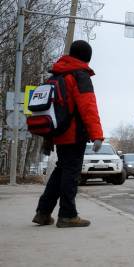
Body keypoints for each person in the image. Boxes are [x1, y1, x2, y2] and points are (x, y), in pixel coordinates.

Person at [32, 40, 104, 228]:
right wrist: (97, 135)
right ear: (87, 57)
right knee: (70, 174)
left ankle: (43, 212)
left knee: (61, 170)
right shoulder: (80, 76)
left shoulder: (56, 75)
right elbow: (88, 107)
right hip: (74, 133)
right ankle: (67, 215)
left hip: (57, 131)